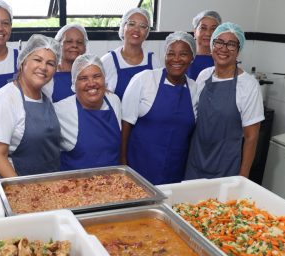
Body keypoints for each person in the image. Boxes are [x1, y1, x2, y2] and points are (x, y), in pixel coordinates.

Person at [185, 22, 264, 180]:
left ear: (239, 50)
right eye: (219, 42)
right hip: (195, 161)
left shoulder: (248, 85)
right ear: (212, 45)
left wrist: (243, 177)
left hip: (226, 168)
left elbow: (251, 137)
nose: (224, 48)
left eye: (231, 44)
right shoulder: (204, 76)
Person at [121, 31, 198, 185]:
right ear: (164, 56)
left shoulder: (195, 88)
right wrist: (123, 163)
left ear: (192, 58)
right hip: (139, 169)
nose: (176, 59)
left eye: (183, 54)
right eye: (171, 53)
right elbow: (126, 124)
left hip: (176, 171)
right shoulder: (145, 79)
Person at [0, 34, 62, 178]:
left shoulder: (45, 95)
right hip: (17, 187)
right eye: (37, 60)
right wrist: (21, 190)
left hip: (51, 184)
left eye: (50, 63)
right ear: (23, 61)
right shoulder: (5, 99)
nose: (43, 67)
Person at [54, 54, 122, 171]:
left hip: (112, 183)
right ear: (74, 83)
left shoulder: (114, 101)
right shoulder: (60, 110)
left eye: (96, 76)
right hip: (73, 185)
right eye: (83, 78)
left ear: (104, 79)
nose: (91, 83)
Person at [101, 7, 160, 100]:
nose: (136, 29)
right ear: (123, 28)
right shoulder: (107, 61)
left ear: (147, 33)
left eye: (143, 26)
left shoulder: (154, 62)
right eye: (131, 24)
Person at [48, 24, 89, 103]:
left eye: (79, 42)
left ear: (85, 48)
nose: (74, 45)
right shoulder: (49, 73)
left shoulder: (90, 75)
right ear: (58, 45)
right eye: (69, 41)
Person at [186, 10, 221, 80]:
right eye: (203, 28)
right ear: (195, 32)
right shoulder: (184, 59)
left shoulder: (223, 60)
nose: (208, 33)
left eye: (213, 29)